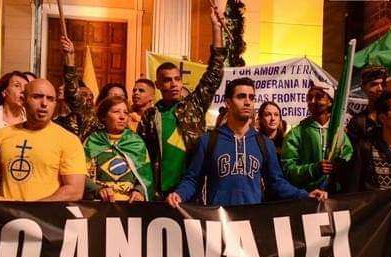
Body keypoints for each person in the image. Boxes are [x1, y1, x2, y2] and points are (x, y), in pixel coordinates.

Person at [167, 77, 326, 207]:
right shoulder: (208, 141)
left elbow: (277, 183)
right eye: (241, 96)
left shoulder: (264, 143)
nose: (248, 102)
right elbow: (192, 179)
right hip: (218, 224)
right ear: (228, 102)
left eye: (251, 97)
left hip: (253, 224)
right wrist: (179, 194)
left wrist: (305, 194)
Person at [139, 0, 227, 199]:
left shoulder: (194, 106)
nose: (174, 84)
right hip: (157, 195)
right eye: (167, 81)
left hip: (191, 193)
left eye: (177, 79)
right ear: (158, 84)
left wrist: (215, 27)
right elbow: (141, 156)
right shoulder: (150, 117)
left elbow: (214, 71)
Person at [0, 79, 86, 201]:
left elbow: (74, 190)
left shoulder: (68, 140)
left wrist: (32, 211)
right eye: (37, 97)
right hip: (6, 218)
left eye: (50, 99)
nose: (44, 103)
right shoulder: (3, 134)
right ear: (23, 100)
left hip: (45, 218)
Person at [282, 82, 353, 192]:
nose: (312, 101)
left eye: (319, 97)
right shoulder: (296, 134)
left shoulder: (338, 133)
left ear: (330, 102)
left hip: (335, 196)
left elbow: (350, 161)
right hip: (307, 198)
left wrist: (338, 167)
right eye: (310, 98)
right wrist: (314, 169)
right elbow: (288, 170)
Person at [84, 96, 153, 202]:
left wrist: (139, 191)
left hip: (130, 205)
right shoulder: (92, 141)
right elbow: (81, 175)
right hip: (100, 204)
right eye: (116, 112)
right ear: (103, 117)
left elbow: (145, 175)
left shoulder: (135, 142)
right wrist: (98, 190)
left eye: (125, 113)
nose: (122, 117)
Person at [347, 65, 388, 142]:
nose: (380, 89)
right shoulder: (359, 122)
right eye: (374, 85)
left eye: (383, 84)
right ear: (363, 87)